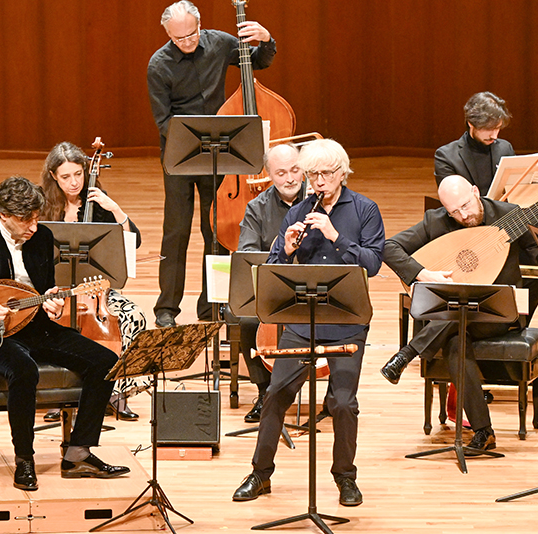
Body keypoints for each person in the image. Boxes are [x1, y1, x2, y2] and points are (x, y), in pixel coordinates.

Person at [0, 176, 130, 490]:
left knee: (105, 360)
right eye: (25, 220)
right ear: (4, 215)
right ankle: (24, 459)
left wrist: (51, 302)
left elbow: (42, 289)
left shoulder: (42, 236)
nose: (33, 226)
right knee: (23, 368)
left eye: (35, 217)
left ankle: (77, 453)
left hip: (34, 326)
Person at [232, 139, 385, 507]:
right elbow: (272, 269)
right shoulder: (298, 212)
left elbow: (374, 264)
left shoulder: (365, 209)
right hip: (302, 319)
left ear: (341, 172)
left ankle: (345, 478)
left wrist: (335, 236)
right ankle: (260, 473)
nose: (318, 181)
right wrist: (285, 248)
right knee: (275, 395)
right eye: (312, 174)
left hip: (348, 319)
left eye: (325, 174)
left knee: (344, 403)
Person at [380, 175, 538, 454]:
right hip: (461, 319)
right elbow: (388, 247)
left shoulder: (510, 217)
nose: (463, 215)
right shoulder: (438, 221)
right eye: (454, 211)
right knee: (457, 339)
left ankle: (408, 353)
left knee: (457, 316)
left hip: (503, 314)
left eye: (466, 206)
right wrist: (423, 272)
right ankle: (484, 432)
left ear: (476, 192)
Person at [147, 0, 277, 327]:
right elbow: (163, 121)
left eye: (191, 34)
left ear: (199, 25)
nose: (187, 42)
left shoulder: (218, 43)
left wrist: (266, 38)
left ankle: (212, 304)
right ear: (168, 35)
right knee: (175, 232)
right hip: (180, 156)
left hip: (218, 155)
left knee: (216, 231)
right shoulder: (158, 65)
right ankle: (166, 309)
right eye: (179, 39)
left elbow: (256, 61)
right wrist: (191, 141)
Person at [39, 141, 146, 421]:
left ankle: (117, 392)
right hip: (56, 290)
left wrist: (116, 210)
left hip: (97, 292)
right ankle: (56, 391)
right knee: (50, 322)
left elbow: (132, 243)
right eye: (65, 177)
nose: (74, 182)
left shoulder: (97, 201)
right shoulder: (43, 203)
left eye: (78, 174)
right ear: (53, 176)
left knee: (134, 318)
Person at [235, 143, 304, 422]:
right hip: (274, 288)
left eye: (295, 170)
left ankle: (337, 392)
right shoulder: (257, 207)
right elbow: (247, 252)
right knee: (247, 321)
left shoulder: (321, 200)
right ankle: (266, 391)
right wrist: (280, 248)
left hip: (315, 287)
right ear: (269, 175)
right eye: (281, 173)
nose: (289, 179)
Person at [434, 91, 514, 196]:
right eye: (488, 129)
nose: (494, 136)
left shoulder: (505, 148)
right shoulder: (446, 156)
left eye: (497, 128)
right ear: (471, 123)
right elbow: (452, 199)